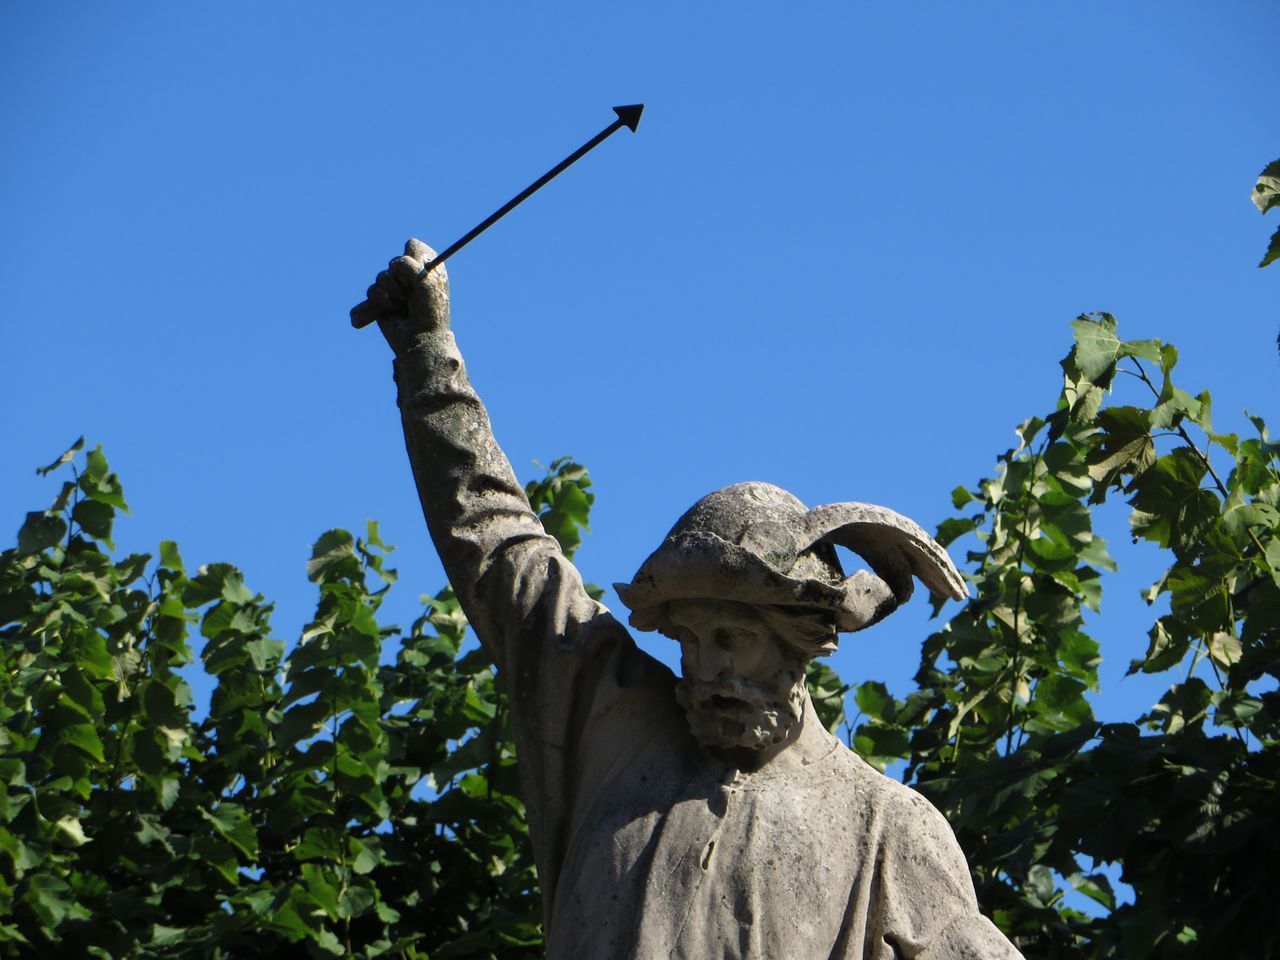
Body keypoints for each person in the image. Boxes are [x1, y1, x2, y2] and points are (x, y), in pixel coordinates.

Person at [353, 240, 1024, 960]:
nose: (705, 671)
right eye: (689, 641)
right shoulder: (611, 728)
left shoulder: (886, 832)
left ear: (802, 639)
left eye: (731, 640)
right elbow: (501, 548)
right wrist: (430, 357)